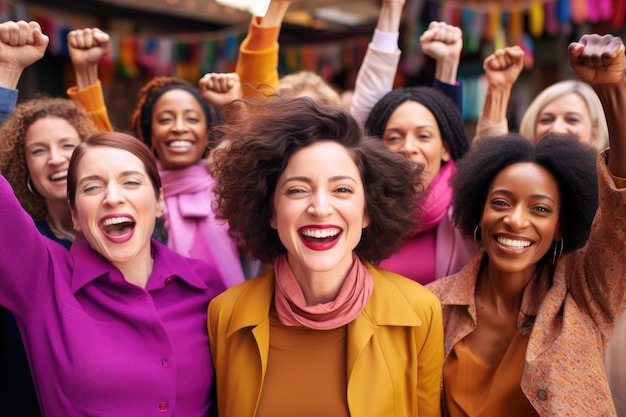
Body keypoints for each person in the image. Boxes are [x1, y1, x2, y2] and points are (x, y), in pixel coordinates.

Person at [428, 33, 626, 416]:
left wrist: (613, 91)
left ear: (560, 224)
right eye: (500, 203)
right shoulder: (432, 306)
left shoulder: (582, 294)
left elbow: (620, 210)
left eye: (540, 209)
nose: (515, 221)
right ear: (477, 211)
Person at [208, 96, 444, 417]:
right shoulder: (225, 315)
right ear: (271, 212)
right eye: (297, 190)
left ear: (367, 212)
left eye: (342, 190)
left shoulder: (420, 312)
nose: (320, 208)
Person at [0, 130, 226, 415]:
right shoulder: (41, 278)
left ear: (159, 200)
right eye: (92, 187)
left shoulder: (206, 286)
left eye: (130, 181)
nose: (112, 197)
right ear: (74, 214)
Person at [363, 85, 475, 284]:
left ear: (445, 149)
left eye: (423, 136)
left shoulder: (470, 207)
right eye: (394, 138)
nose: (408, 148)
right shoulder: (363, 210)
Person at [475, 45, 609, 152]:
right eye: (546, 120)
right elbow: (490, 161)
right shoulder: (518, 179)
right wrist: (498, 89)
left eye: (572, 120)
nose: (556, 128)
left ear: (596, 135)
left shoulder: (606, 184)